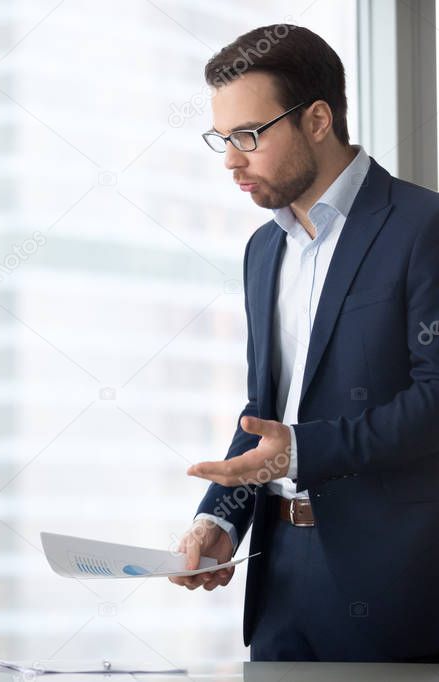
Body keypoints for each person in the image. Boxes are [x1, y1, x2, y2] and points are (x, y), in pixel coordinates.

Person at [170, 24, 439, 662]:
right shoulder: (263, 251)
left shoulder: (423, 227)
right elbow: (268, 412)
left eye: (249, 135)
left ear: (318, 119)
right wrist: (219, 518)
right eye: (223, 139)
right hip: (279, 581)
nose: (232, 160)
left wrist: (299, 454)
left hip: (395, 584)